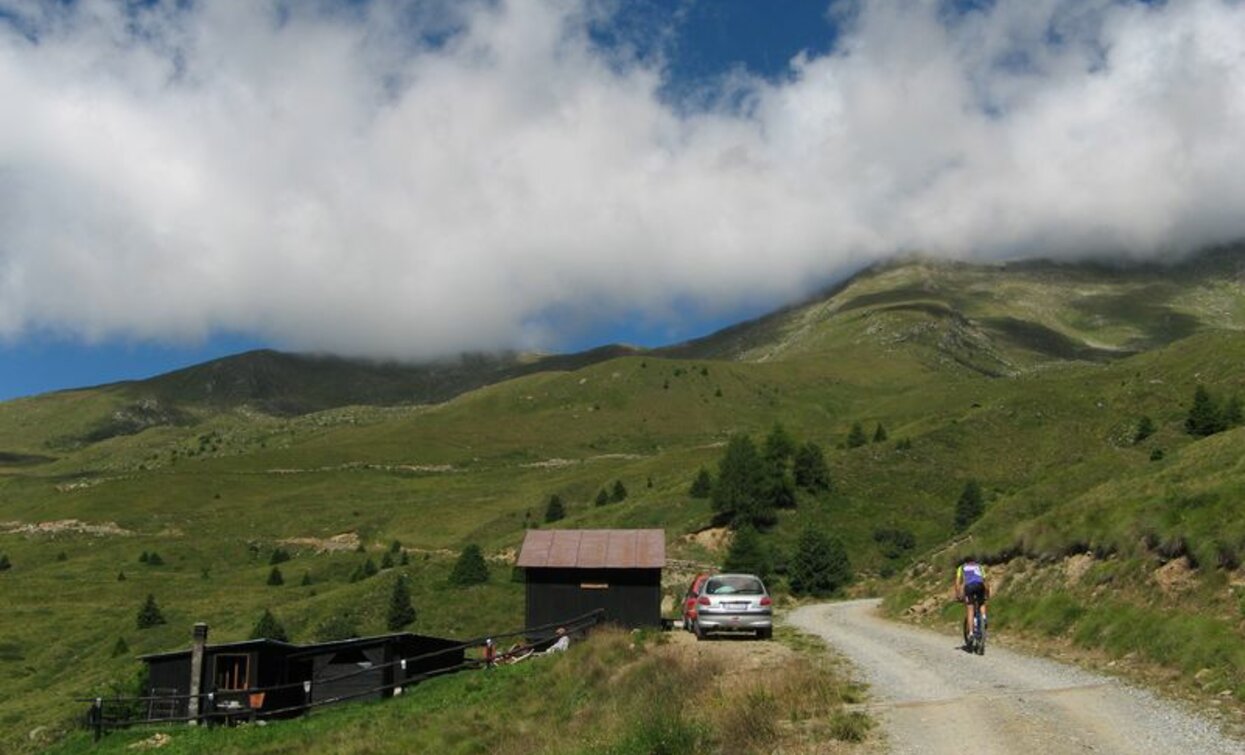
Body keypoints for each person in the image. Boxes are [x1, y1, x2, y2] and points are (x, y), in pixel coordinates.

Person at [954, 558, 990, 646]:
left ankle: (970, 633)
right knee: (982, 602)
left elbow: (957, 582)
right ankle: (984, 618)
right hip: (980, 586)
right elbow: (986, 582)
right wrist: (987, 594)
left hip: (969, 587)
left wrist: (958, 594)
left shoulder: (962, 567)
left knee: (970, 609)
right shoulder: (979, 567)